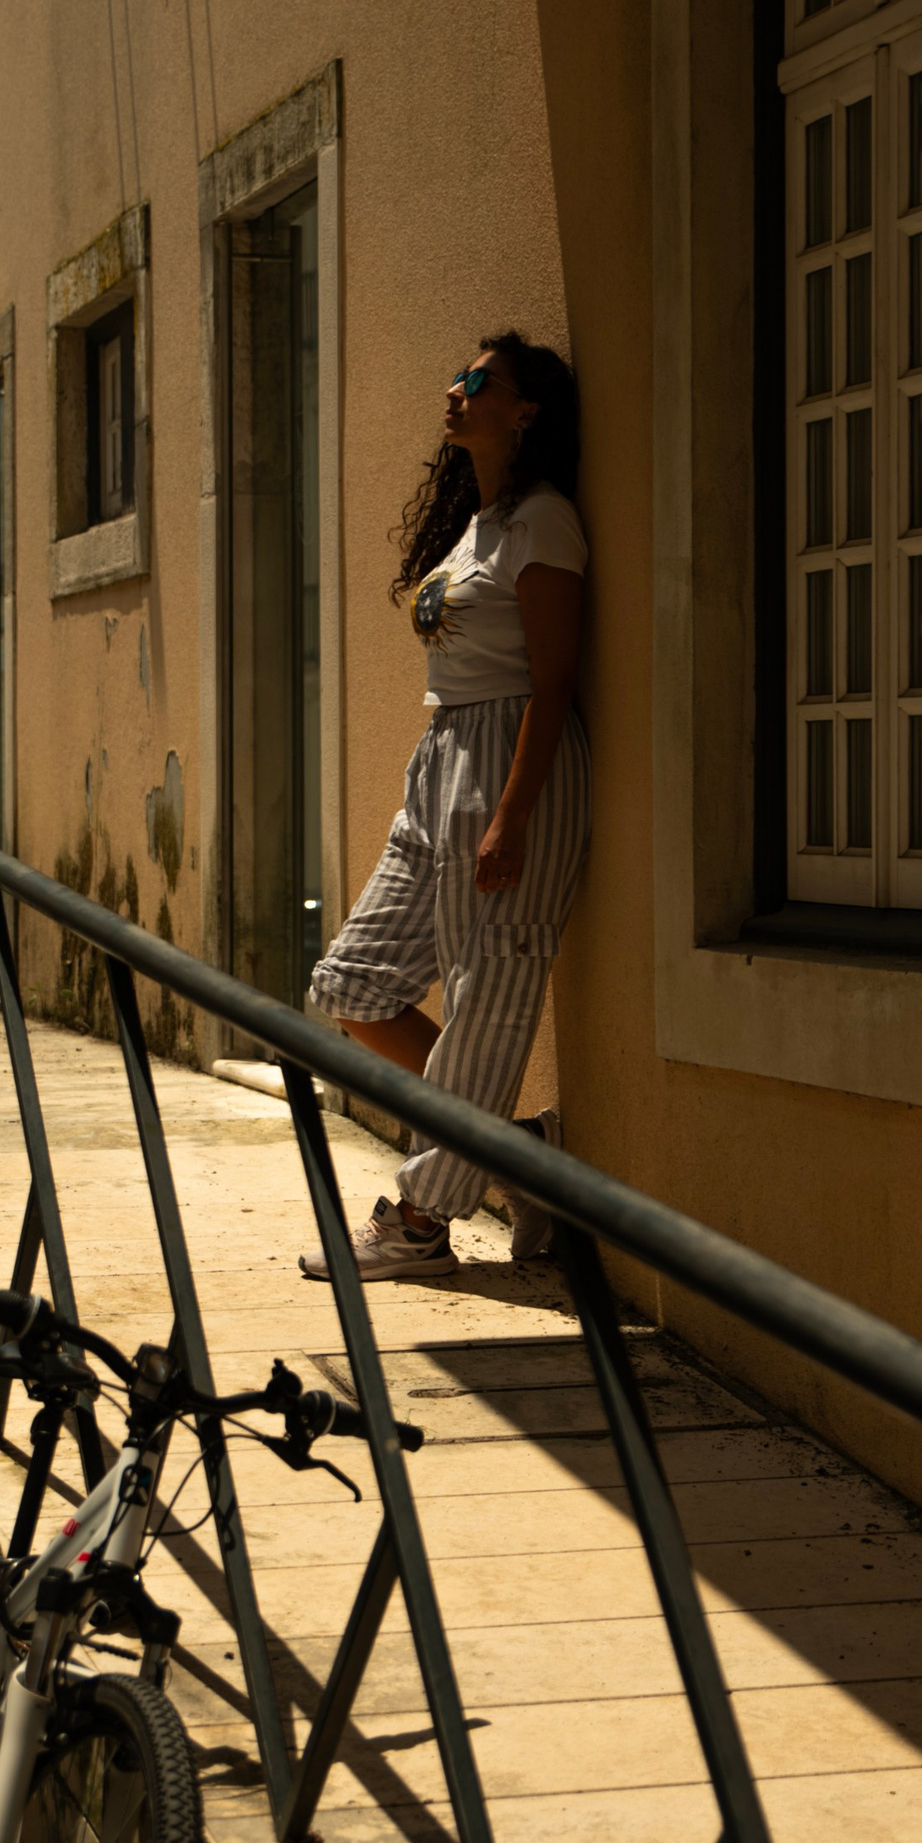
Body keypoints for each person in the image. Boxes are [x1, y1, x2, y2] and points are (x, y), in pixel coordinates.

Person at [301, 332, 589, 1279]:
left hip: (508, 763)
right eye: (458, 372)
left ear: (525, 412)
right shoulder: (478, 525)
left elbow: (554, 686)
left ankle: (423, 1222)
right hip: (443, 762)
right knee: (350, 985)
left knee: (486, 1000)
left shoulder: (545, 524)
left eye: (481, 381)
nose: (456, 388)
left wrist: (512, 814)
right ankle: (517, 1152)